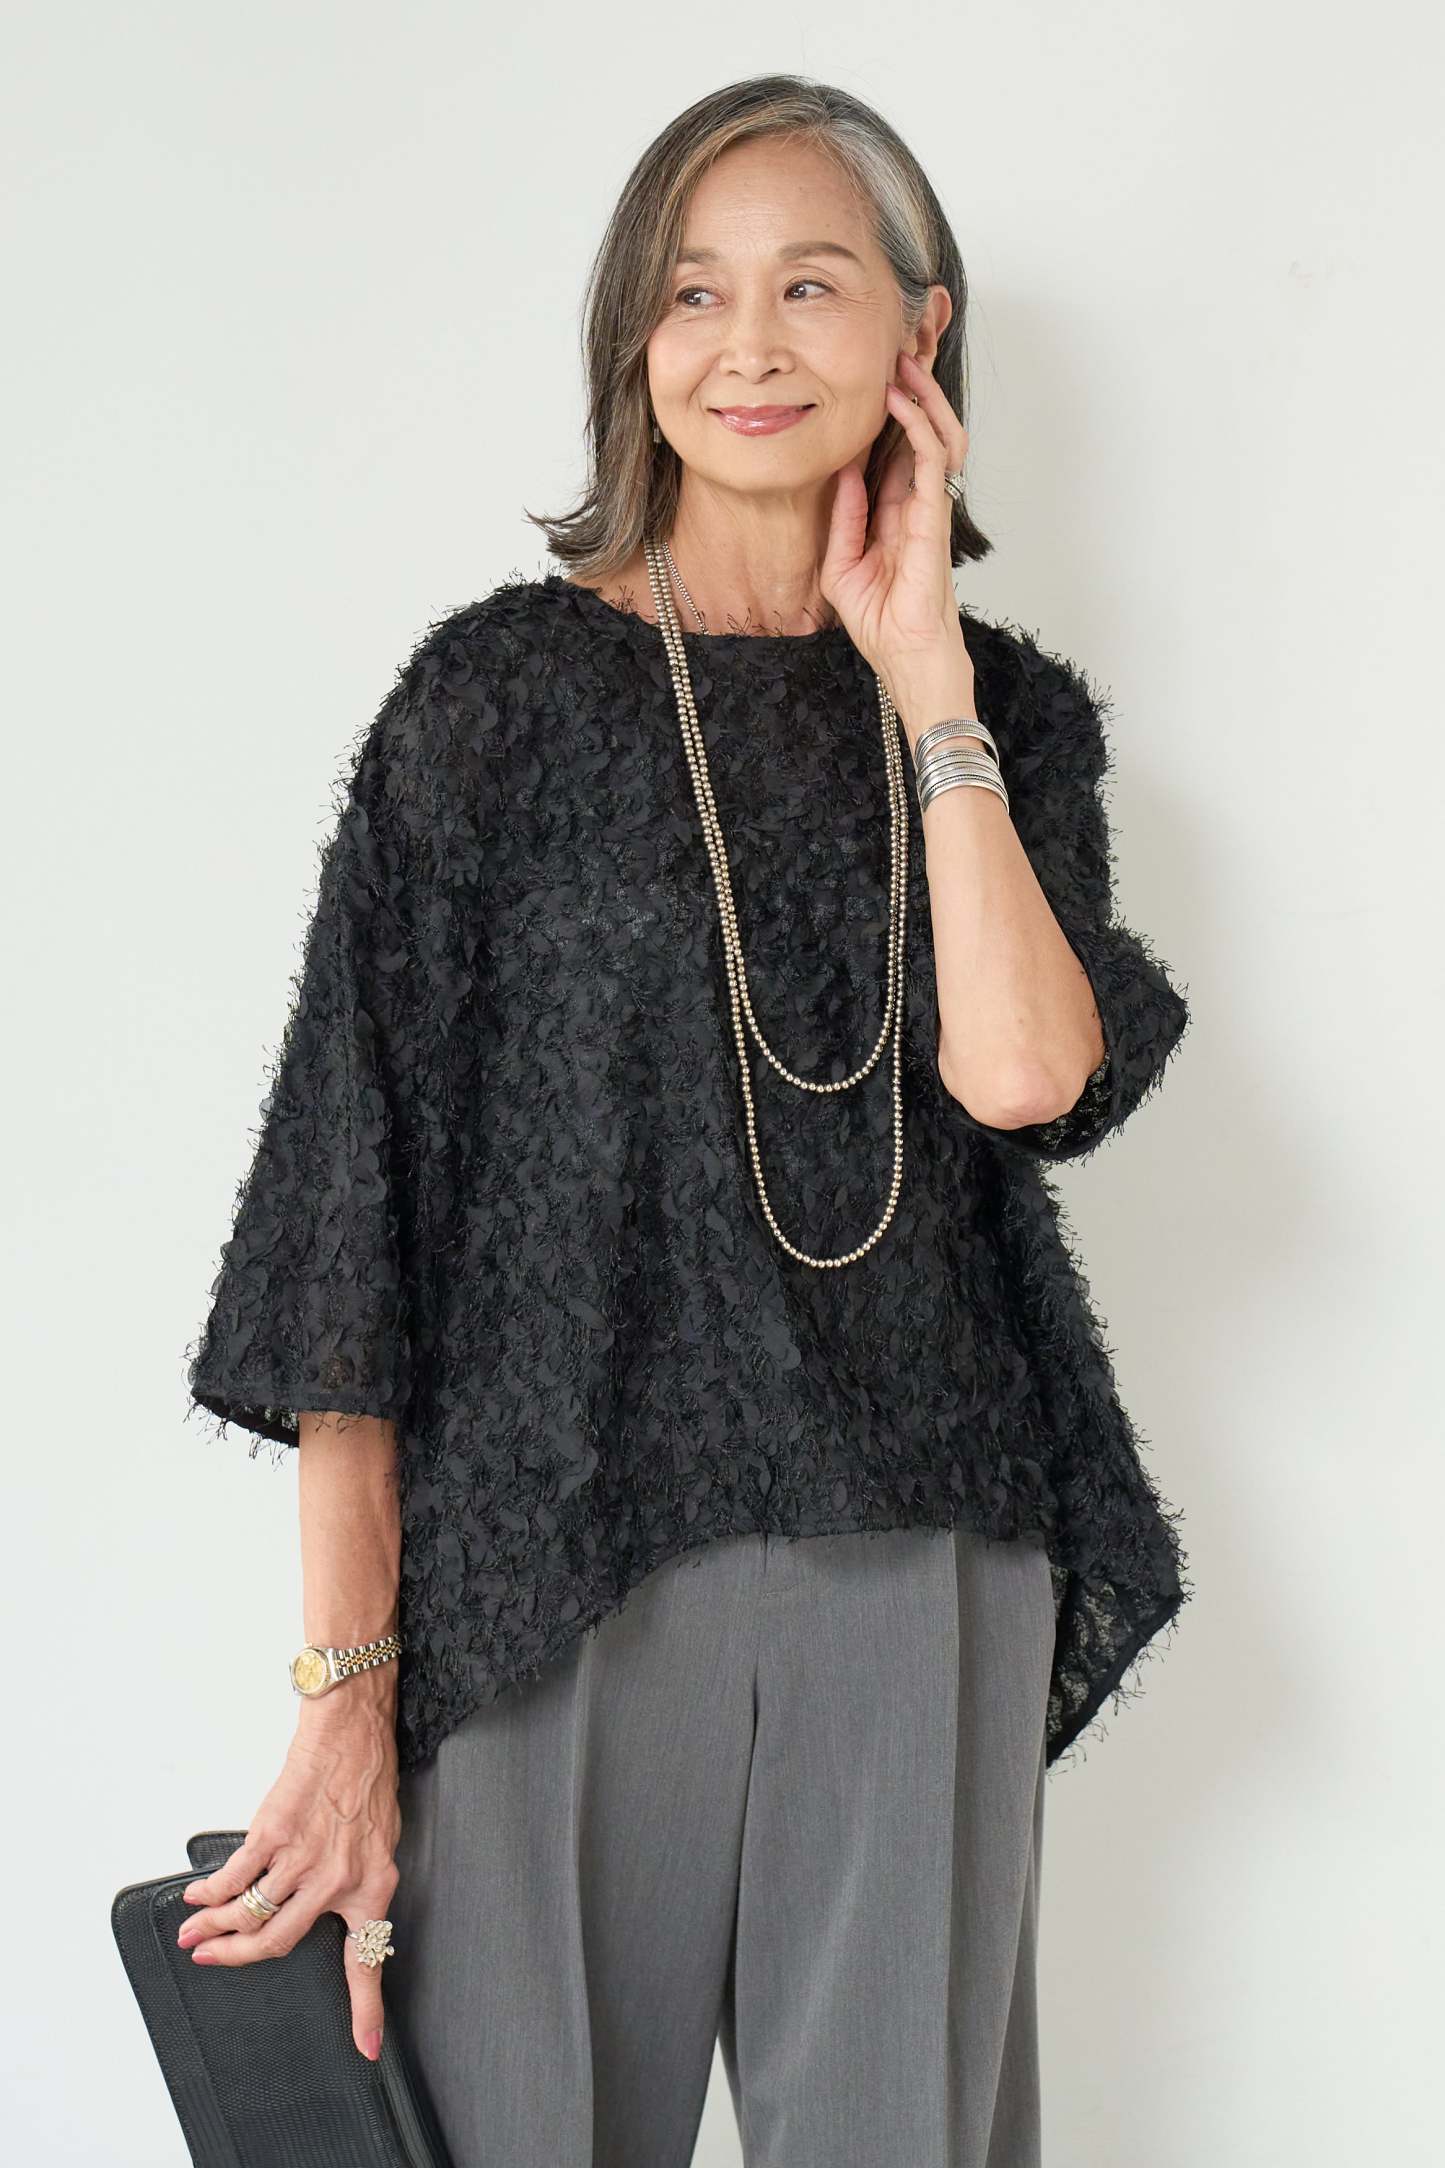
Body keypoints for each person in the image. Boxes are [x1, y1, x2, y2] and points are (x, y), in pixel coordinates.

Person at [175, 74, 1192, 2168]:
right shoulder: (492, 707)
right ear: (632, 340)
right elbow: (348, 1221)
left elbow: (1026, 1078)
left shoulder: (1010, 711)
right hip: (551, 1564)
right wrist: (345, 1692)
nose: (747, 345)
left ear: (917, 336)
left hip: (920, 1538)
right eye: (693, 292)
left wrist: (925, 684)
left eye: (809, 286)